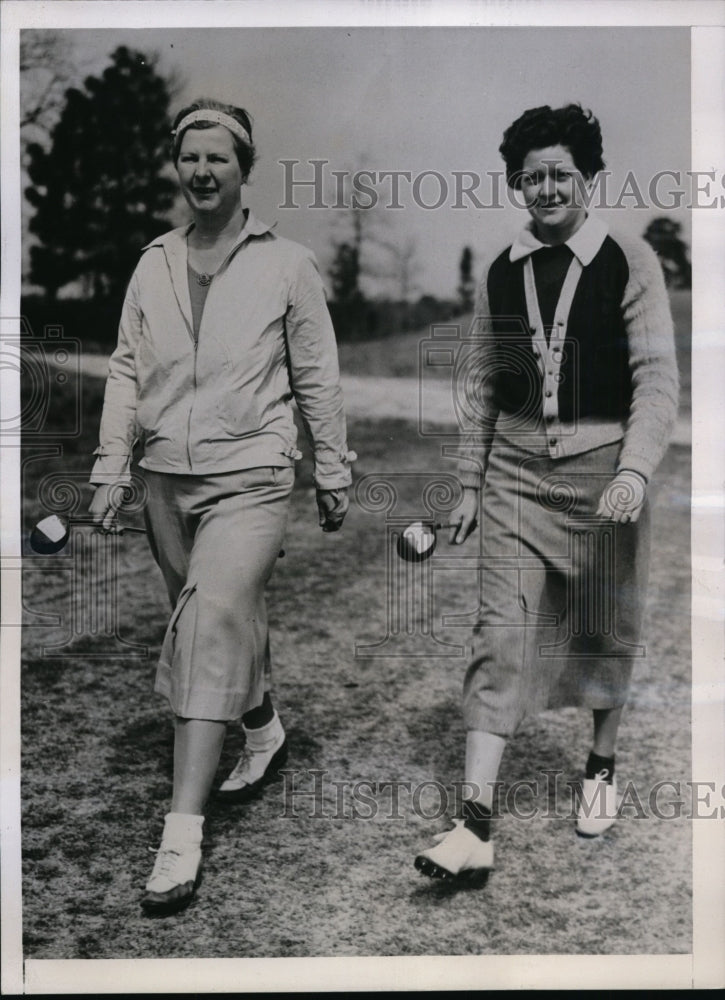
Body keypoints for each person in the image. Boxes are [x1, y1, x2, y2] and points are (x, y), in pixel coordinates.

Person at [89, 98, 355, 914]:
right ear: (178, 166)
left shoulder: (287, 264)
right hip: (165, 479)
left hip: (253, 476)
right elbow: (128, 370)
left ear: (245, 168)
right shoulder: (154, 263)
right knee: (210, 617)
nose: (203, 172)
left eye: (219, 158)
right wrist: (110, 467)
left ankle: (180, 836)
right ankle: (264, 727)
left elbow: (316, 373)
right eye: (190, 158)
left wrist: (333, 466)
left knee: (209, 626)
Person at [414, 104, 678, 881]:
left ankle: (599, 764)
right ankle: (473, 826)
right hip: (515, 481)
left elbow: (655, 380)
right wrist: (468, 482)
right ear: (515, 185)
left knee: (604, 627)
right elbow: (485, 386)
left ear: (589, 177)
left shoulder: (630, 259)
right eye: (531, 177)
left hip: (604, 480)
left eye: (560, 173)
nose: (546, 188)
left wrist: (632, 472)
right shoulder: (501, 270)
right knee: (499, 633)